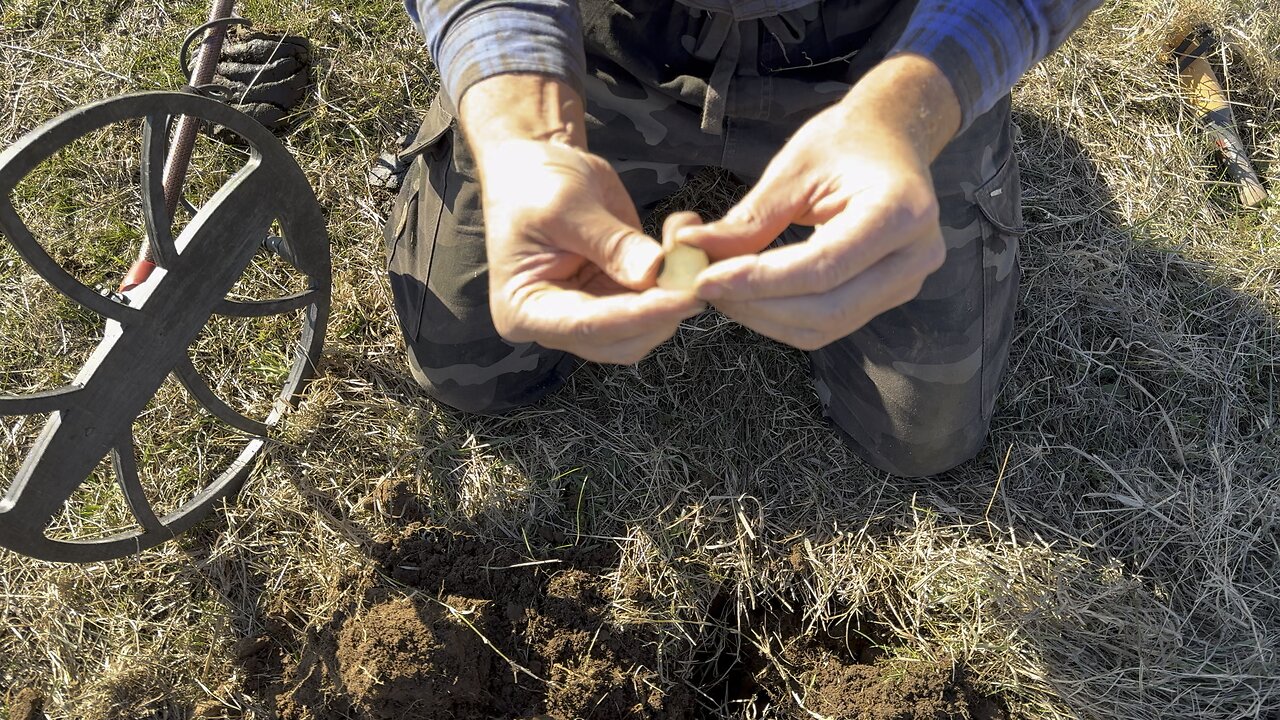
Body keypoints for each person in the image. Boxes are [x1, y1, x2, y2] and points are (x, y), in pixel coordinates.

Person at [386, 0, 1100, 477]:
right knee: (463, 365)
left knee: (923, 436)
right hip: (605, 39)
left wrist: (912, 110)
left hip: (884, 42)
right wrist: (524, 129)